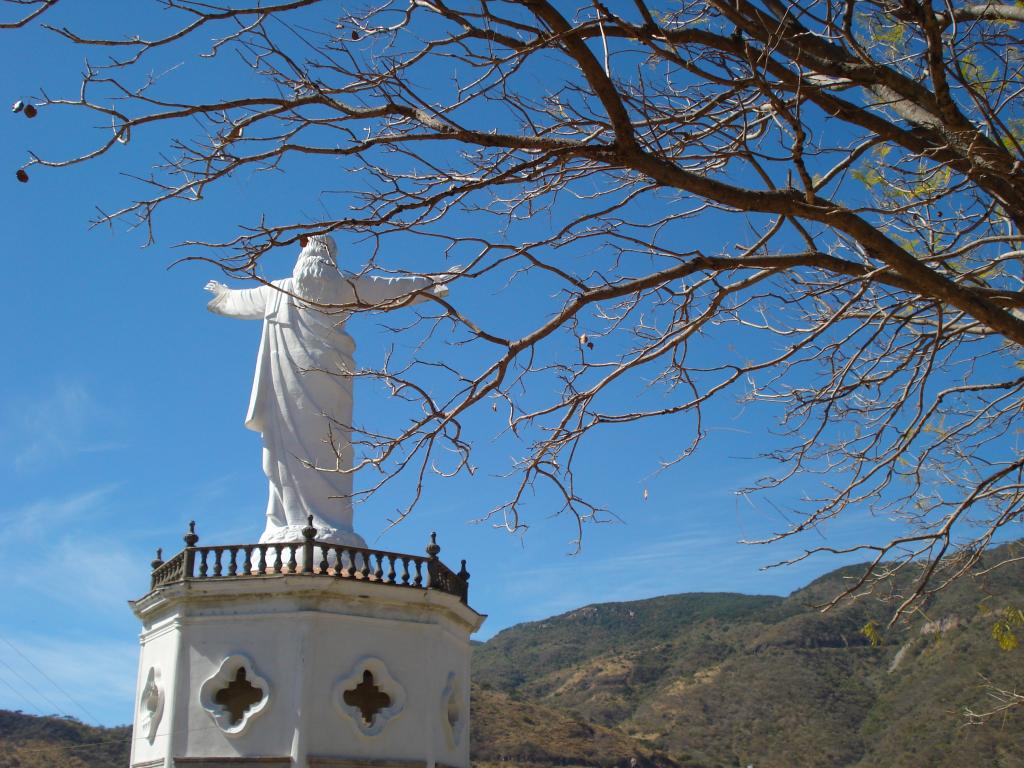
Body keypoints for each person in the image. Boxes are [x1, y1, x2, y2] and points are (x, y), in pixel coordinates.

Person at [205, 234, 447, 547]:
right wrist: (429, 284)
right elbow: (389, 288)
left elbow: (389, 288)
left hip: (330, 381)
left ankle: (329, 524)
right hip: (289, 383)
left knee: (330, 446)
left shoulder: (308, 287)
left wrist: (429, 283)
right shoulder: (329, 287)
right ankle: (287, 523)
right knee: (286, 450)